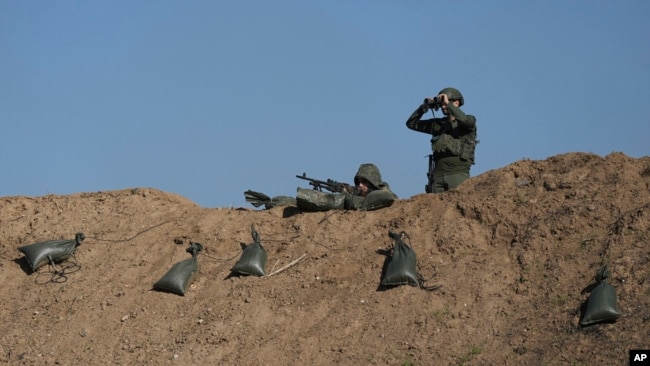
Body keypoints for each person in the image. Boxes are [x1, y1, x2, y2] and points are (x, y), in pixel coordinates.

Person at [406, 87, 478, 193]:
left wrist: (448, 104)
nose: (443, 106)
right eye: (442, 104)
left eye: (445, 103)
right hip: (437, 176)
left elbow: (465, 120)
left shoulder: (469, 121)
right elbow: (411, 124)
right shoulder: (438, 124)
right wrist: (423, 108)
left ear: (457, 103)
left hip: (457, 174)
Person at [244, 163, 397, 211]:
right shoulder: (359, 195)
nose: (360, 186)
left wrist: (347, 196)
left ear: (373, 183)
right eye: (358, 182)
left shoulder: (383, 194)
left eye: (364, 182)